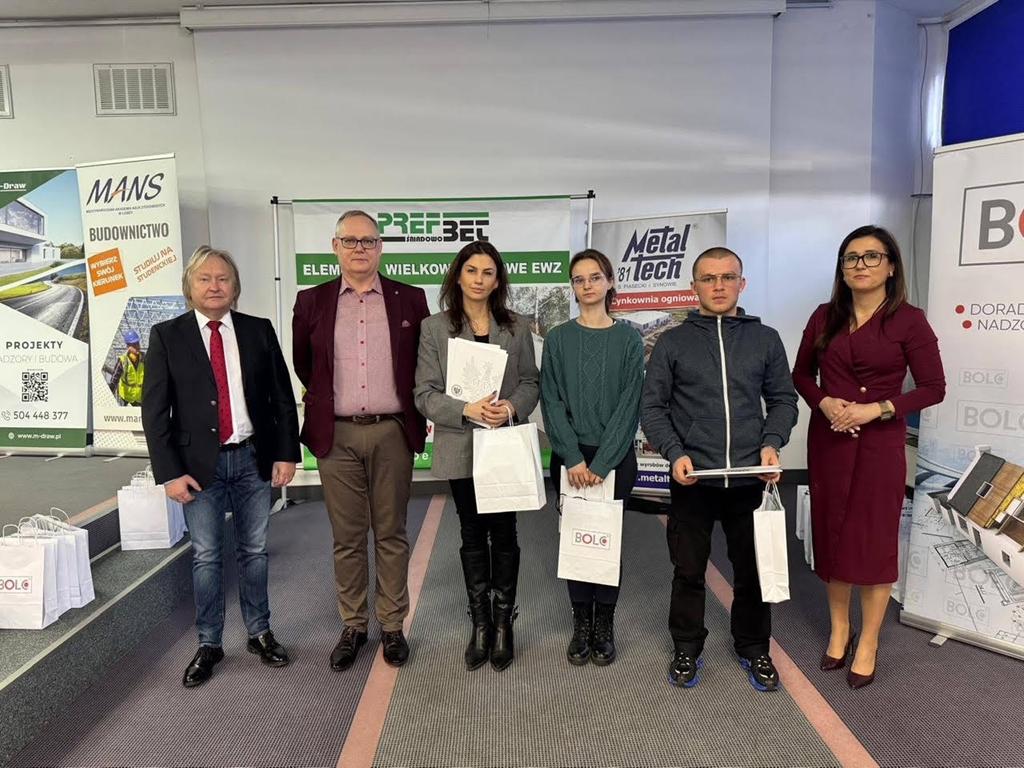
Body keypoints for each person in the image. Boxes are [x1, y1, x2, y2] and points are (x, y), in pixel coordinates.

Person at [792, 225, 945, 689]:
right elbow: (802, 375)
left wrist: (877, 408)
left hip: (879, 445)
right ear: (842, 268)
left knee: (873, 541)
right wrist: (823, 402)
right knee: (834, 535)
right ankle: (840, 629)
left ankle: (870, 640)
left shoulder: (909, 320)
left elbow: (933, 387)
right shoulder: (825, 316)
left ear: (891, 266)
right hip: (829, 441)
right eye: (851, 257)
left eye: (871, 256)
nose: (860, 265)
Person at [142, 245, 300, 688]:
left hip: (253, 459)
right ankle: (209, 643)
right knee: (207, 556)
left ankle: (260, 633)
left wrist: (286, 453)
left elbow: (282, 398)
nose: (214, 286)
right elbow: (154, 412)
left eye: (223, 278)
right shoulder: (167, 336)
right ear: (189, 287)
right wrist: (169, 473)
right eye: (204, 279)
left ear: (235, 287)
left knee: (254, 552)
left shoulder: (258, 330)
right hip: (196, 468)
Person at [641, 246, 798, 691]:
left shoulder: (764, 338)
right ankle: (686, 646)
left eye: (728, 277)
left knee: (751, 571)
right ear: (694, 286)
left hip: (749, 478)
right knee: (688, 571)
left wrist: (771, 443)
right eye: (708, 278)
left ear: (741, 283)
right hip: (694, 478)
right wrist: (674, 452)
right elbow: (653, 407)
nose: (718, 286)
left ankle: (754, 646)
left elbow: (784, 400)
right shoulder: (673, 342)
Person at [292, 210, 429, 672]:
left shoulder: (411, 299)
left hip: (392, 430)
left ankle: (391, 625)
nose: (359, 249)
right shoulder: (311, 301)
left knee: (391, 532)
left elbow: (423, 362)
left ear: (380, 247)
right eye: (349, 241)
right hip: (337, 434)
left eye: (368, 241)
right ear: (335, 247)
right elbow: (305, 365)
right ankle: (353, 625)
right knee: (348, 537)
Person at [414, 241, 539, 671]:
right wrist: (466, 409)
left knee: (504, 534)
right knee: (471, 533)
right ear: (458, 275)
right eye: (472, 270)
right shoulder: (434, 328)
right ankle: (480, 624)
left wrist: (511, 407)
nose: (479, 279)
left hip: (503, 444)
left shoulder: (517, 326)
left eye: (488, 272)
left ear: (498, 279)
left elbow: (530, 382)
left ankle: (504, 624)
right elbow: (424, 393)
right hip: (462, 443)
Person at [540, 248, 643, 667]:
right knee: (576, 540)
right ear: (573, 287)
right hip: (571, 458)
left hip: (614, 460)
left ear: (610, 281)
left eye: (595, 277)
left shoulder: (629, 339)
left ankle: (605, 624)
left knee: (606, 541)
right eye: (579, 279)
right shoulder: (558, 339)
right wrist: (572, 458)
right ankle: (581, 622)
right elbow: (551, 401)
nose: (587, 285)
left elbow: (630, 405)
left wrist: (602, 464)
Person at [110, 329, 145, 406]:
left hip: (140, 398)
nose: (137, 346)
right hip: (125, 398)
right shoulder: (123, 360)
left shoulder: (144, 358)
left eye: (138, 343)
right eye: (134, 345)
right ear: (128, 346)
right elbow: (114, 380)